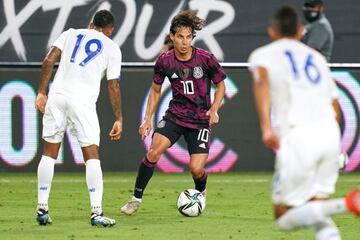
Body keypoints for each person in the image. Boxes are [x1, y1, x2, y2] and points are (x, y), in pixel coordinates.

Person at [248, 6, 359, 240]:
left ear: (272, 32)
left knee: (283, 216)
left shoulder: (263, 55)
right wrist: (332, 141)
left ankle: (347, 204)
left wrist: (267, 128)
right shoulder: (318, 58)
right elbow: (336, 109)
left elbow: (261, 84)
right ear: (300, 31)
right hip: (329, 134)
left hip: (300, 136)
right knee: (317, 209)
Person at [120, 10, 226, 215]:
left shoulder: (205, 59)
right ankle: (135, 200)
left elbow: (221, 85)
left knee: (195, 169)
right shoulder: (164, 61)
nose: (185, 42)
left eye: (189, 37)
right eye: (180, 36)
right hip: (175, 116)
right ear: (172, 36)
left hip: (200, 120)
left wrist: (214, 109)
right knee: (152, 152)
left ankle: (201, 190)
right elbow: (156, 90)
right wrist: (147, 120)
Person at [35, 10, 123, 227]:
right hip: (82, 102)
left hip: (57, 96)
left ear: (91, 23)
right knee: (91, 154)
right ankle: (96, 212)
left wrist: (41, 92)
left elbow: (48, 61)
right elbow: (113, 85)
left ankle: (42, 208)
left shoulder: (70, 33)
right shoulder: (112, 47)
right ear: (110, 30)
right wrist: (118, 117)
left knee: (49, 153)